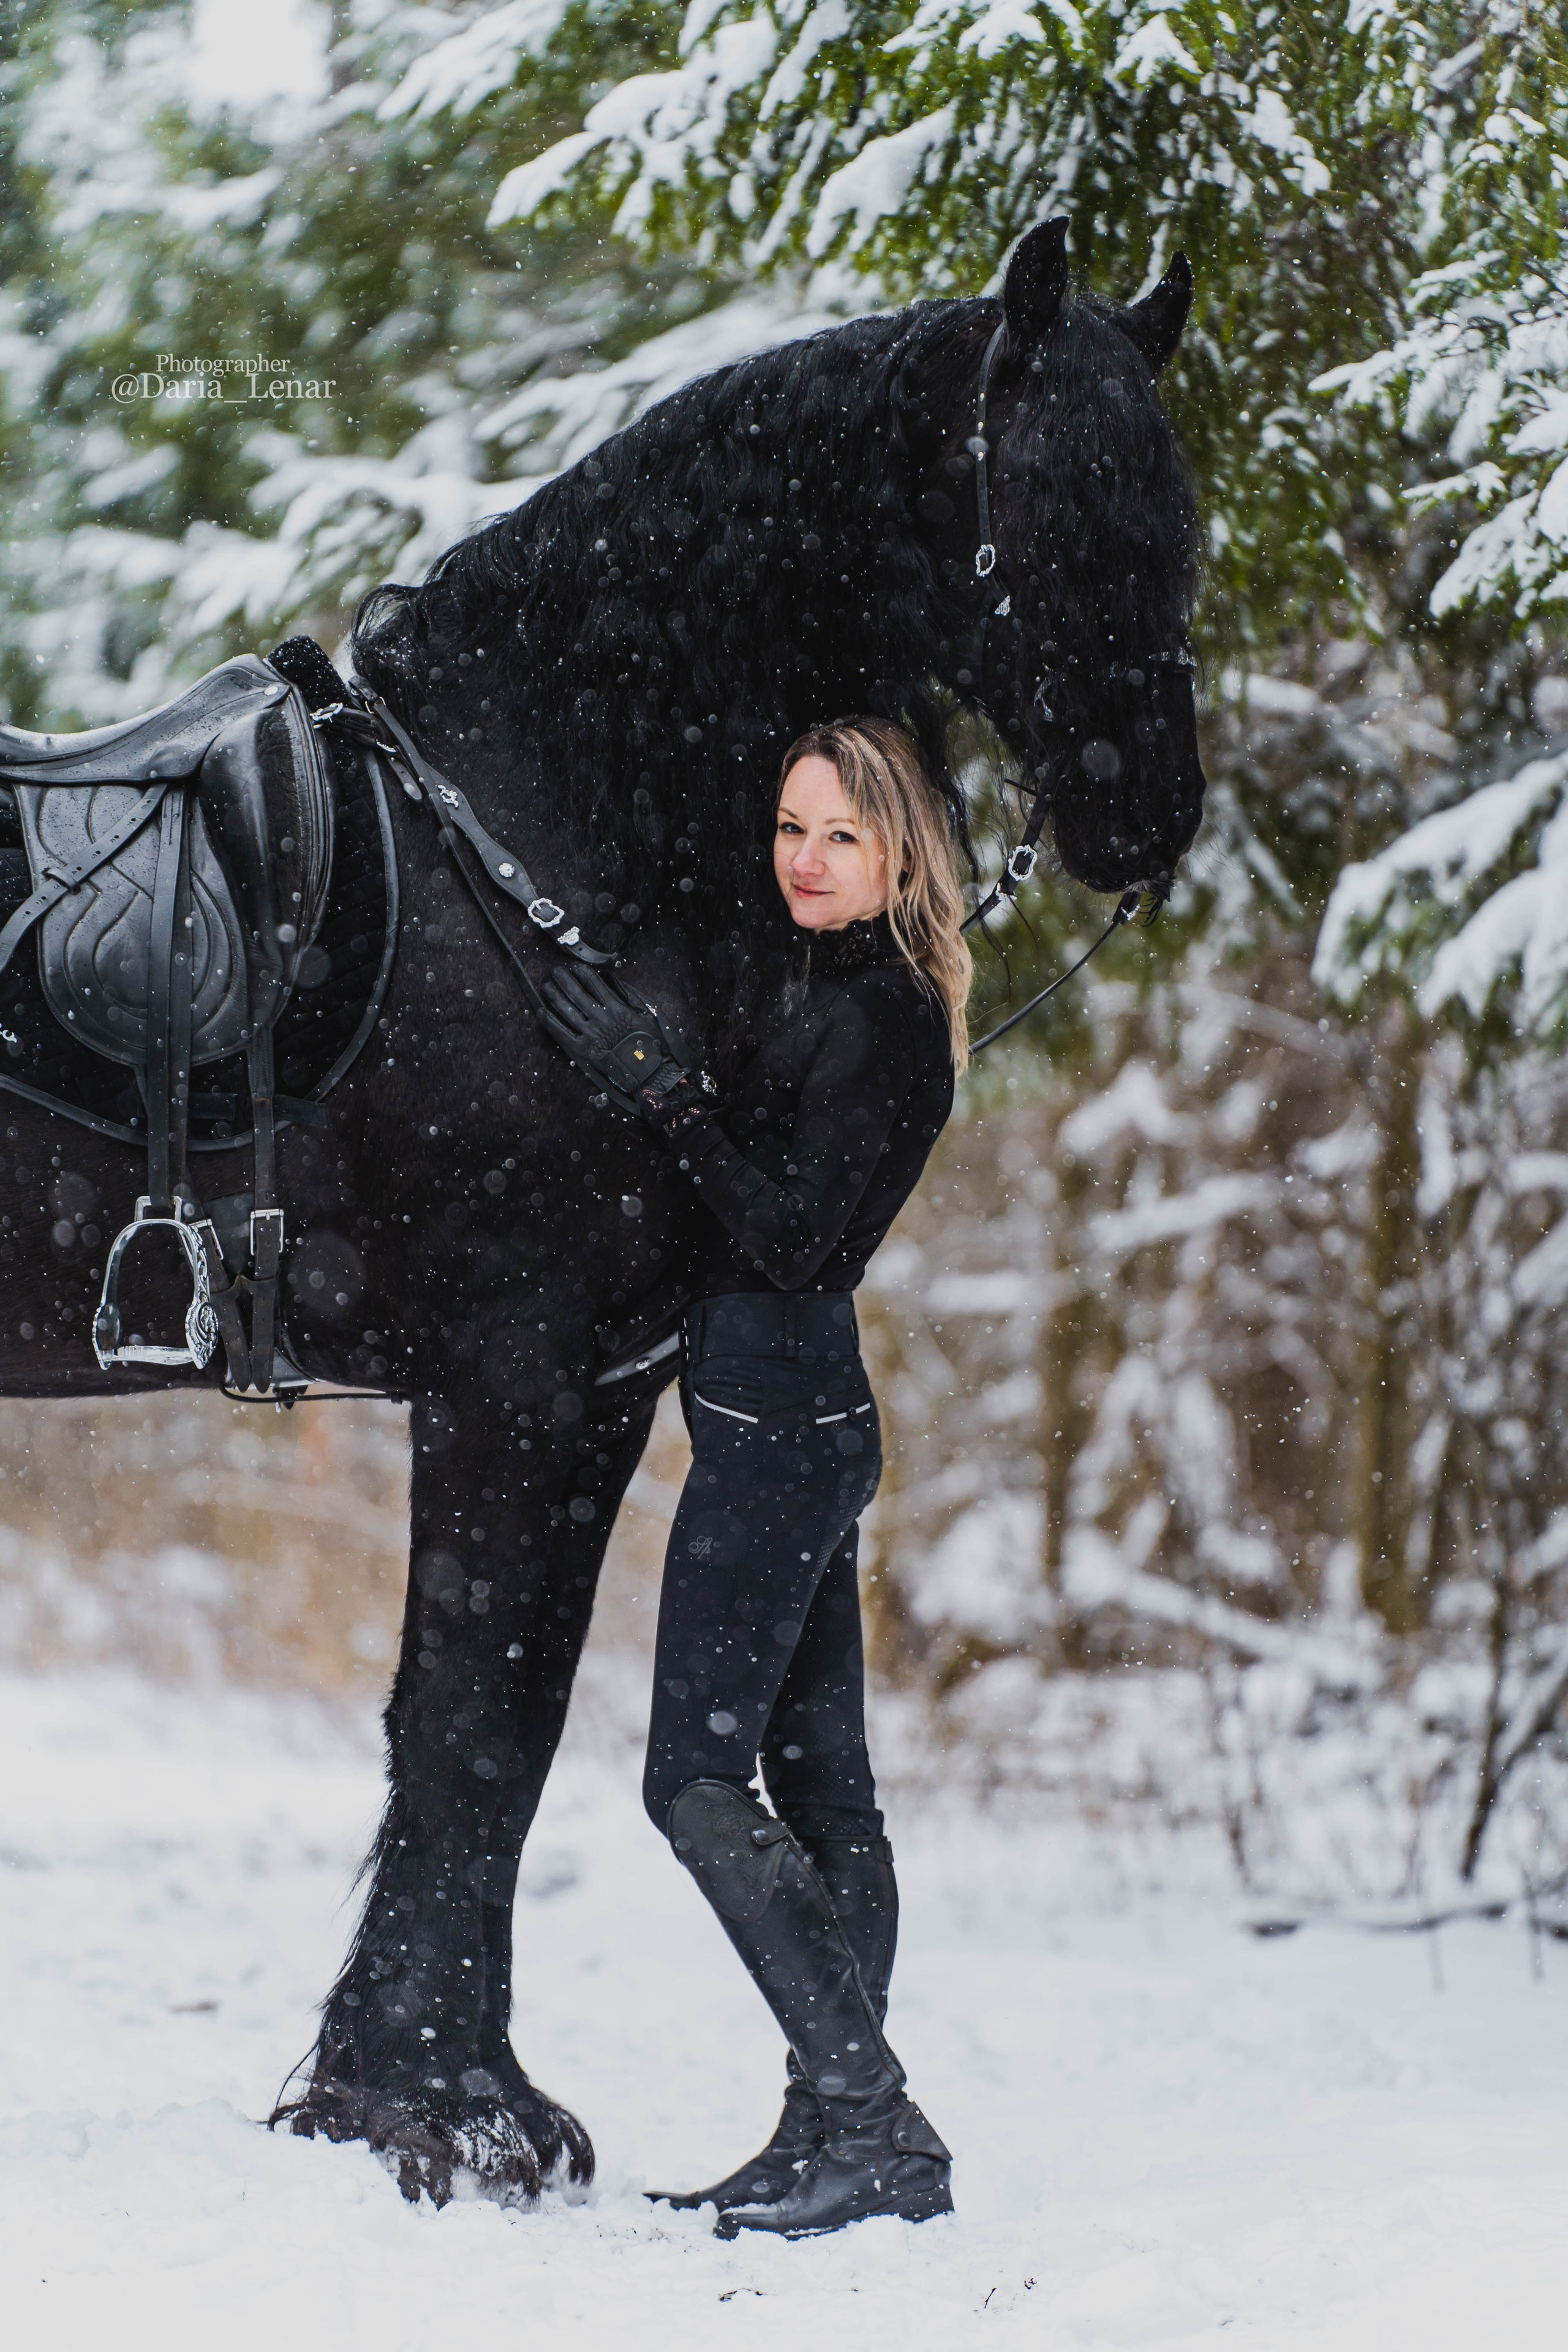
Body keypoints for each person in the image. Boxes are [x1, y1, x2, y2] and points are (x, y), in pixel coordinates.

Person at [541, 718, 971, 2241]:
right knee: (825, 1795)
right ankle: (824, 2134)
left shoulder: (880, 1019)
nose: (803, 858)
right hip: (789, 1417)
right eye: (790, 827)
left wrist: (662, 1092)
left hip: (782, 1429)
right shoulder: (845, 989)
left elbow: (789, 1242)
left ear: (899, 851)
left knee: (693, 1782)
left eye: (840, 836)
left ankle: (871, 2120)